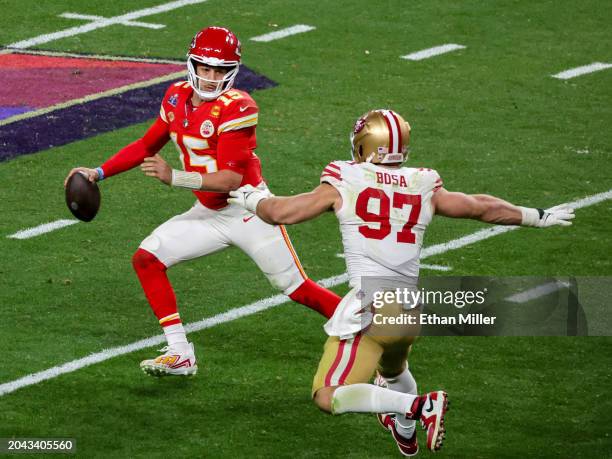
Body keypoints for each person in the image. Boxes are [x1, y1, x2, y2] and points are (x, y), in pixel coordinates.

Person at [228, 109, 574, 455]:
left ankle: (417, 408)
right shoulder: (423, 183)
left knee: (327, 395)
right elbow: (479, 207)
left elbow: (281, 214)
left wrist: (253, 199)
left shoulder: (345, 177)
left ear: (365, 146)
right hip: (408, 312)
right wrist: (536, 216)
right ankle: (405, 426)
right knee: (393, 372)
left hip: (373, 307)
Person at [64, 26, 341, 378]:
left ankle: (369, 331)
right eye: (206, 68)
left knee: (297, 288)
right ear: (192, 64)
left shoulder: (238, 107)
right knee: (147, 259)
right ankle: (180, 352)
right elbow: (146, 145)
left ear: (232, 72)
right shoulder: (177, 96)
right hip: (208, 212)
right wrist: (99, 172)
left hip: (248, 210)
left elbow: (230, 180)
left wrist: (174, 177)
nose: (211, 78)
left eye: (220, 70)